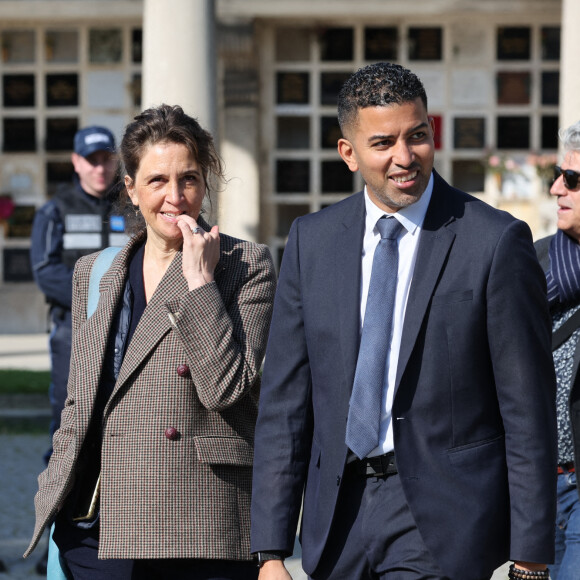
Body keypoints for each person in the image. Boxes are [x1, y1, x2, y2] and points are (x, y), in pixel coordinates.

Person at [250, 62, 557, 580]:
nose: (404, 157)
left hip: (444, 520)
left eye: (417, 136)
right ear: (348, 152)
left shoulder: (494, 241)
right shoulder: (312, 241)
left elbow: (527, 407)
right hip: (336, 518)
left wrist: (530, 555)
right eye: (383, 143)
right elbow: (285, 402)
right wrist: (271, 550)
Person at [24, 104, 276, 579]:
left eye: (190, 179)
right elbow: (81, 401)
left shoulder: (246, 266)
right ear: (131, 188)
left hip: (196, 523)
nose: (175, 197)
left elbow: (225, 387)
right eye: (158, 180)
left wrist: (200, 284)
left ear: (206, 183)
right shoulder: (95, 273)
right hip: (95, 524)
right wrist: (53, 493)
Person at [30, 125, 123, 463]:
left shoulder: (132, 209)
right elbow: (45, 271)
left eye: (106, 159)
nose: (100, 168)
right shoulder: (54, 211)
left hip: (126, 326)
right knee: (70, 417)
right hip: (73, 329)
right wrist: (101, 297)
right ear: (76, 162)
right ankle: (63, 504)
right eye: (91, 160)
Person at [535, 120, 580, 580]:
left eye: (573, 179)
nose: (556, 188)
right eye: (558, 173)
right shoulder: (535, 261)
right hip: (537, 485)